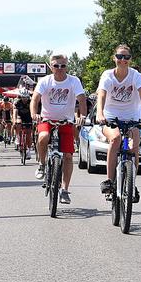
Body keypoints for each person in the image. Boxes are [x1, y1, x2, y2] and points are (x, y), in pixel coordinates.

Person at [96, 45, 141, 201]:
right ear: (114, 58)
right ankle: (109, 181)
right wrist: (100, 114)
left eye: (126, 57)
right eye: (120, 57)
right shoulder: (107, 75)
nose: (123, 60)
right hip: (111, 117)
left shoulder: (136, 76)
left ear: (130, 59)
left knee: (134, 146)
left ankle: (131, 183)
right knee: (115, 139)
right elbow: (101, 96)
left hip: (132, 118)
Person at [31, 54, 87, 205]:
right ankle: (42, 165)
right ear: (51, 67)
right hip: (47, 120)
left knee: (68, 156)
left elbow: (81, 99)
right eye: (56, 66)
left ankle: (65, 190)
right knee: (43, 137)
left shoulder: (73, 81)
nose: (60, 69)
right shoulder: (45, 81)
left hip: (66, 122)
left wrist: (82, 116)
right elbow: (35, 99)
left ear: (67, 66)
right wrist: (34, 114)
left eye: (63, 66)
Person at [12, 88, 34, 160]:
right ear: (20, 97)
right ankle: (18, 137)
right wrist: (14, 121)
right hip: (20, 116)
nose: (25, 99)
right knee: (18, 122)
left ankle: (28, 151)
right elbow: (15, 113)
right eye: (23, 97)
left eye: (26, 97)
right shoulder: (17, 102)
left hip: (28, 117)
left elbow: (33, 111)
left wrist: (34, 120)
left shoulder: (31, 102)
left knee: (28, 135)